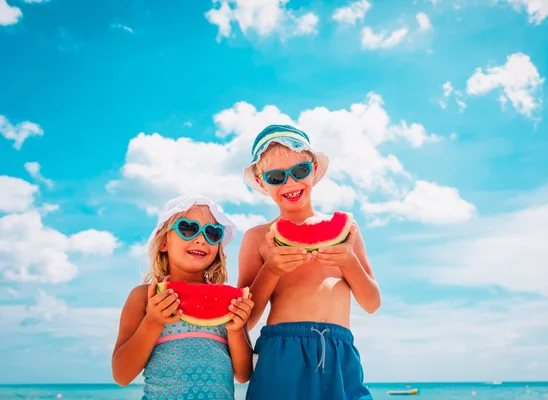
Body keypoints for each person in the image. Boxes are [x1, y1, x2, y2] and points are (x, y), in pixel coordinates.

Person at [237, 124, 381, 400]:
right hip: (281, 351)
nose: (290, 183)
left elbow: (372, 303)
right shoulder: (257, 238)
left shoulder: (347, 230)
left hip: (339, 352)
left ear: (313, 170)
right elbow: (246, 318)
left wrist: (349, 262)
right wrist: (271, 269)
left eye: (300, 171)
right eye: (276, 176)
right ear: (260, 182)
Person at [112, 195, 254, 400]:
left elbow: (243, 374)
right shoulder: (144, 297)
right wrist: (153, 321)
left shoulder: (228, 302)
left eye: (212, 233)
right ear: (163, 242)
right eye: (188, 228)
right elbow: (121, 375)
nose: (201, 239)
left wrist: (235, 329)